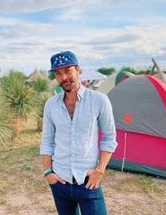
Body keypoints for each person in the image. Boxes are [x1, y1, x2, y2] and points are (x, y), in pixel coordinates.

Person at [40, 51, 117, 215]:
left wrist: (100, 171)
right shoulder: (51, 105)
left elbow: (110, 138)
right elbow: (46, 141)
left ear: (78, 70)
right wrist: (48, 172)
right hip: (60, 182)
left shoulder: (99, 100)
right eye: (58, 73)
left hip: (89, 181)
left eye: (68, 70)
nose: (64, 77)